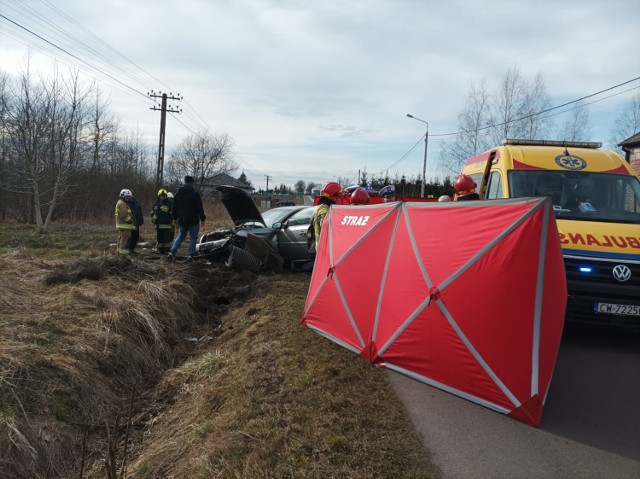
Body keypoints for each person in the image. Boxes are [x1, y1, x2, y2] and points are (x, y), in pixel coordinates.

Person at [168, 176, 206, 262]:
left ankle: (172, 252)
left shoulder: (178, 194)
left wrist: (175, 218)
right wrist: (203, 219)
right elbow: (200, 208)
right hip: (193, 221)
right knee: (193, 238)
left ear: (185, 182)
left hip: (182, 220)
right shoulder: (195, 194)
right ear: (192, 183)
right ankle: (191, 255)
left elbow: (174, 208)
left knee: (181, 236)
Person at [311, 181, 343, 252]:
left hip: (324, 248)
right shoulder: (324, 209)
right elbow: (325, 226)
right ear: (333, 196)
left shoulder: (322, 207)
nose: (337, 200)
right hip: (324, 250)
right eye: (337, 197)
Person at [151, 188, 174, 254]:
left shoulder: (169, 204)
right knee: (159, 238)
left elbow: (172, 213)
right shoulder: (156, 204)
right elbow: (153, 213)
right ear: (159, 196)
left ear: (166, 196)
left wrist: (171, 219)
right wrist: (153, 219)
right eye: (161, 195)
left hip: (167, 224)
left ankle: (166, 250)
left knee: (166, 238)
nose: (162, 196)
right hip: (158, 225)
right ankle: (160, 250)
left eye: (164, 195)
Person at [115, 189, 136, 255]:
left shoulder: (121, 203)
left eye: (129, 197)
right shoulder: (122, 204)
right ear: (123, 196)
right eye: (127, 197)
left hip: (123, 225)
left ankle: (119, 253)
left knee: (121, 238)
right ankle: (123, 255)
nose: (129, 198)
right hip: (124, 225)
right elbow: (124, 215)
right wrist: (131, 220)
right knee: (125, 240)